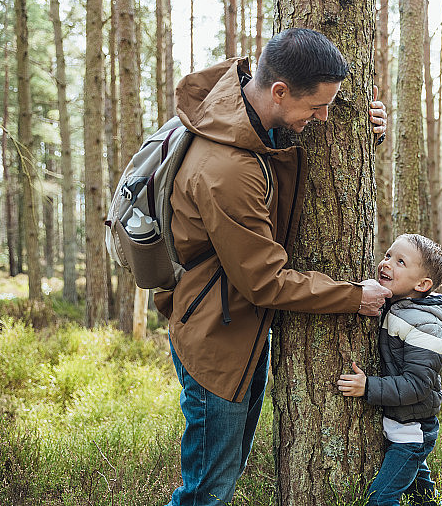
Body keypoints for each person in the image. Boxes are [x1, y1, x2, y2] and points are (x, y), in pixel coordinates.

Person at [154, 28, 392, 506]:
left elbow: (284, 180)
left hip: (238, 327)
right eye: (318, 107)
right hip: (215, 343)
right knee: (208, 490)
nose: (324, 118)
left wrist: (368, 138)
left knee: (222, 476)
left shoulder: (247, 114)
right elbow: (263, 281)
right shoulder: (227, 170)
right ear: (279, 91)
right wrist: (353, 296)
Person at [337, 234, 442, 506]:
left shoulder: (427, 327)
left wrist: (368, 387)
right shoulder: (397, 305)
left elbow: (417, 385)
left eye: (400, 261)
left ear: (422, 284)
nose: (387, 263)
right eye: (388, 255)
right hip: (402, 423)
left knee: (380, 499)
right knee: (421, 495)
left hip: (412, 432)